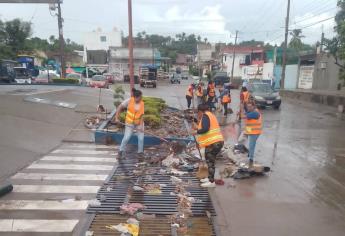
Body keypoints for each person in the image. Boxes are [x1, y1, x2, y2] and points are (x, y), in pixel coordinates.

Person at [193, 104, 224, 188]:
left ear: (200, 111)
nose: (198, 115)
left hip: (214, 143)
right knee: (210, 161)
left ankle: (211, 182)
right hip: (216, 142)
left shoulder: (205, 115)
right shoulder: (211, 115)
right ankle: (209, 178)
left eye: (198, 112)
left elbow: (205, 128)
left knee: (210, 162)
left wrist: (197, 132)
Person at [115, 88, 145, 159]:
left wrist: (140, 126)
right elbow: (119, 107)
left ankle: (140, 153)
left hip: (139, 123)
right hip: (129, 123)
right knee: (127, 137)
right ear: (135, 97)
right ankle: (120, 152)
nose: (141, 99)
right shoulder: (129, 101)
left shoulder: (142, 103)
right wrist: (116, 117)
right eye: (140, 97)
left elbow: (142, 115)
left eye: (141, 97)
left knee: (141, 138)